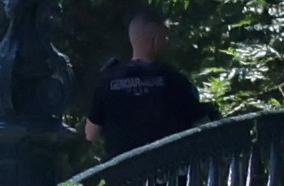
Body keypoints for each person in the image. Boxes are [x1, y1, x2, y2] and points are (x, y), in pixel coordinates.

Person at [84, 10, 206, 159]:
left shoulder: (107, 81)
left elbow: (90, 134)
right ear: (156, 40)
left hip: (123, 176)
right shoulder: (174, 80)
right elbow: (201, 126)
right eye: (164, 37)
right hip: (167, 175)